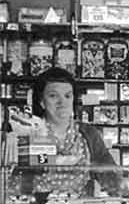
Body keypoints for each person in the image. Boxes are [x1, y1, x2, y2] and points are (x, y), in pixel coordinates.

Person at [28, 67, 121, 196]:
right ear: (42, 102)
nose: (62, 102)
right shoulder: (31, 132)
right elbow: (22, 178)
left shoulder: (88, 133)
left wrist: (127, 203)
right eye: (53, 96)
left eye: (67, 96)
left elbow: (110, 175)